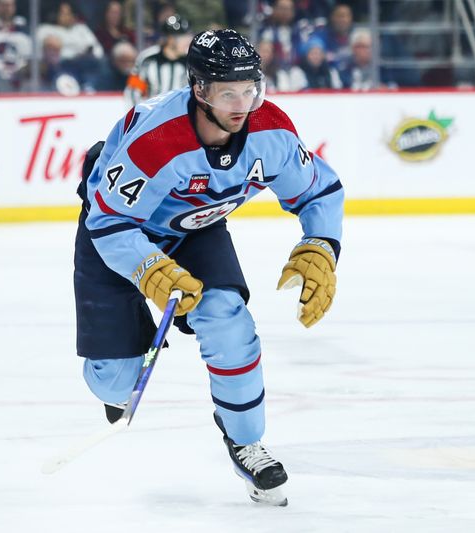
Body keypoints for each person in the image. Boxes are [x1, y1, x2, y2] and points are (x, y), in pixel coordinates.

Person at [74, 28, 343, 506]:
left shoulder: (271, 131)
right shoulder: (157, 140)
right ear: (200, 90)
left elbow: (318, 191)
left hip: (196, 230)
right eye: (228, 93)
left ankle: (245, 441)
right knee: (116, 387)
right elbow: (109, 220)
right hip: (118, 235)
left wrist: (321, 243)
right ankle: (130, 329)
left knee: (227, 319)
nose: (242, 104)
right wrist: (148, 270)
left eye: (250, 89)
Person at [124, 14, 192, 106]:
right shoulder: (147, 59)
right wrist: (139, 116)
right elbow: (133, 90)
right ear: (171, 39)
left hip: (181, 117)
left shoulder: (190, 61)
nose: (188, 41)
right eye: (183, 37)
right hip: (153, 115)